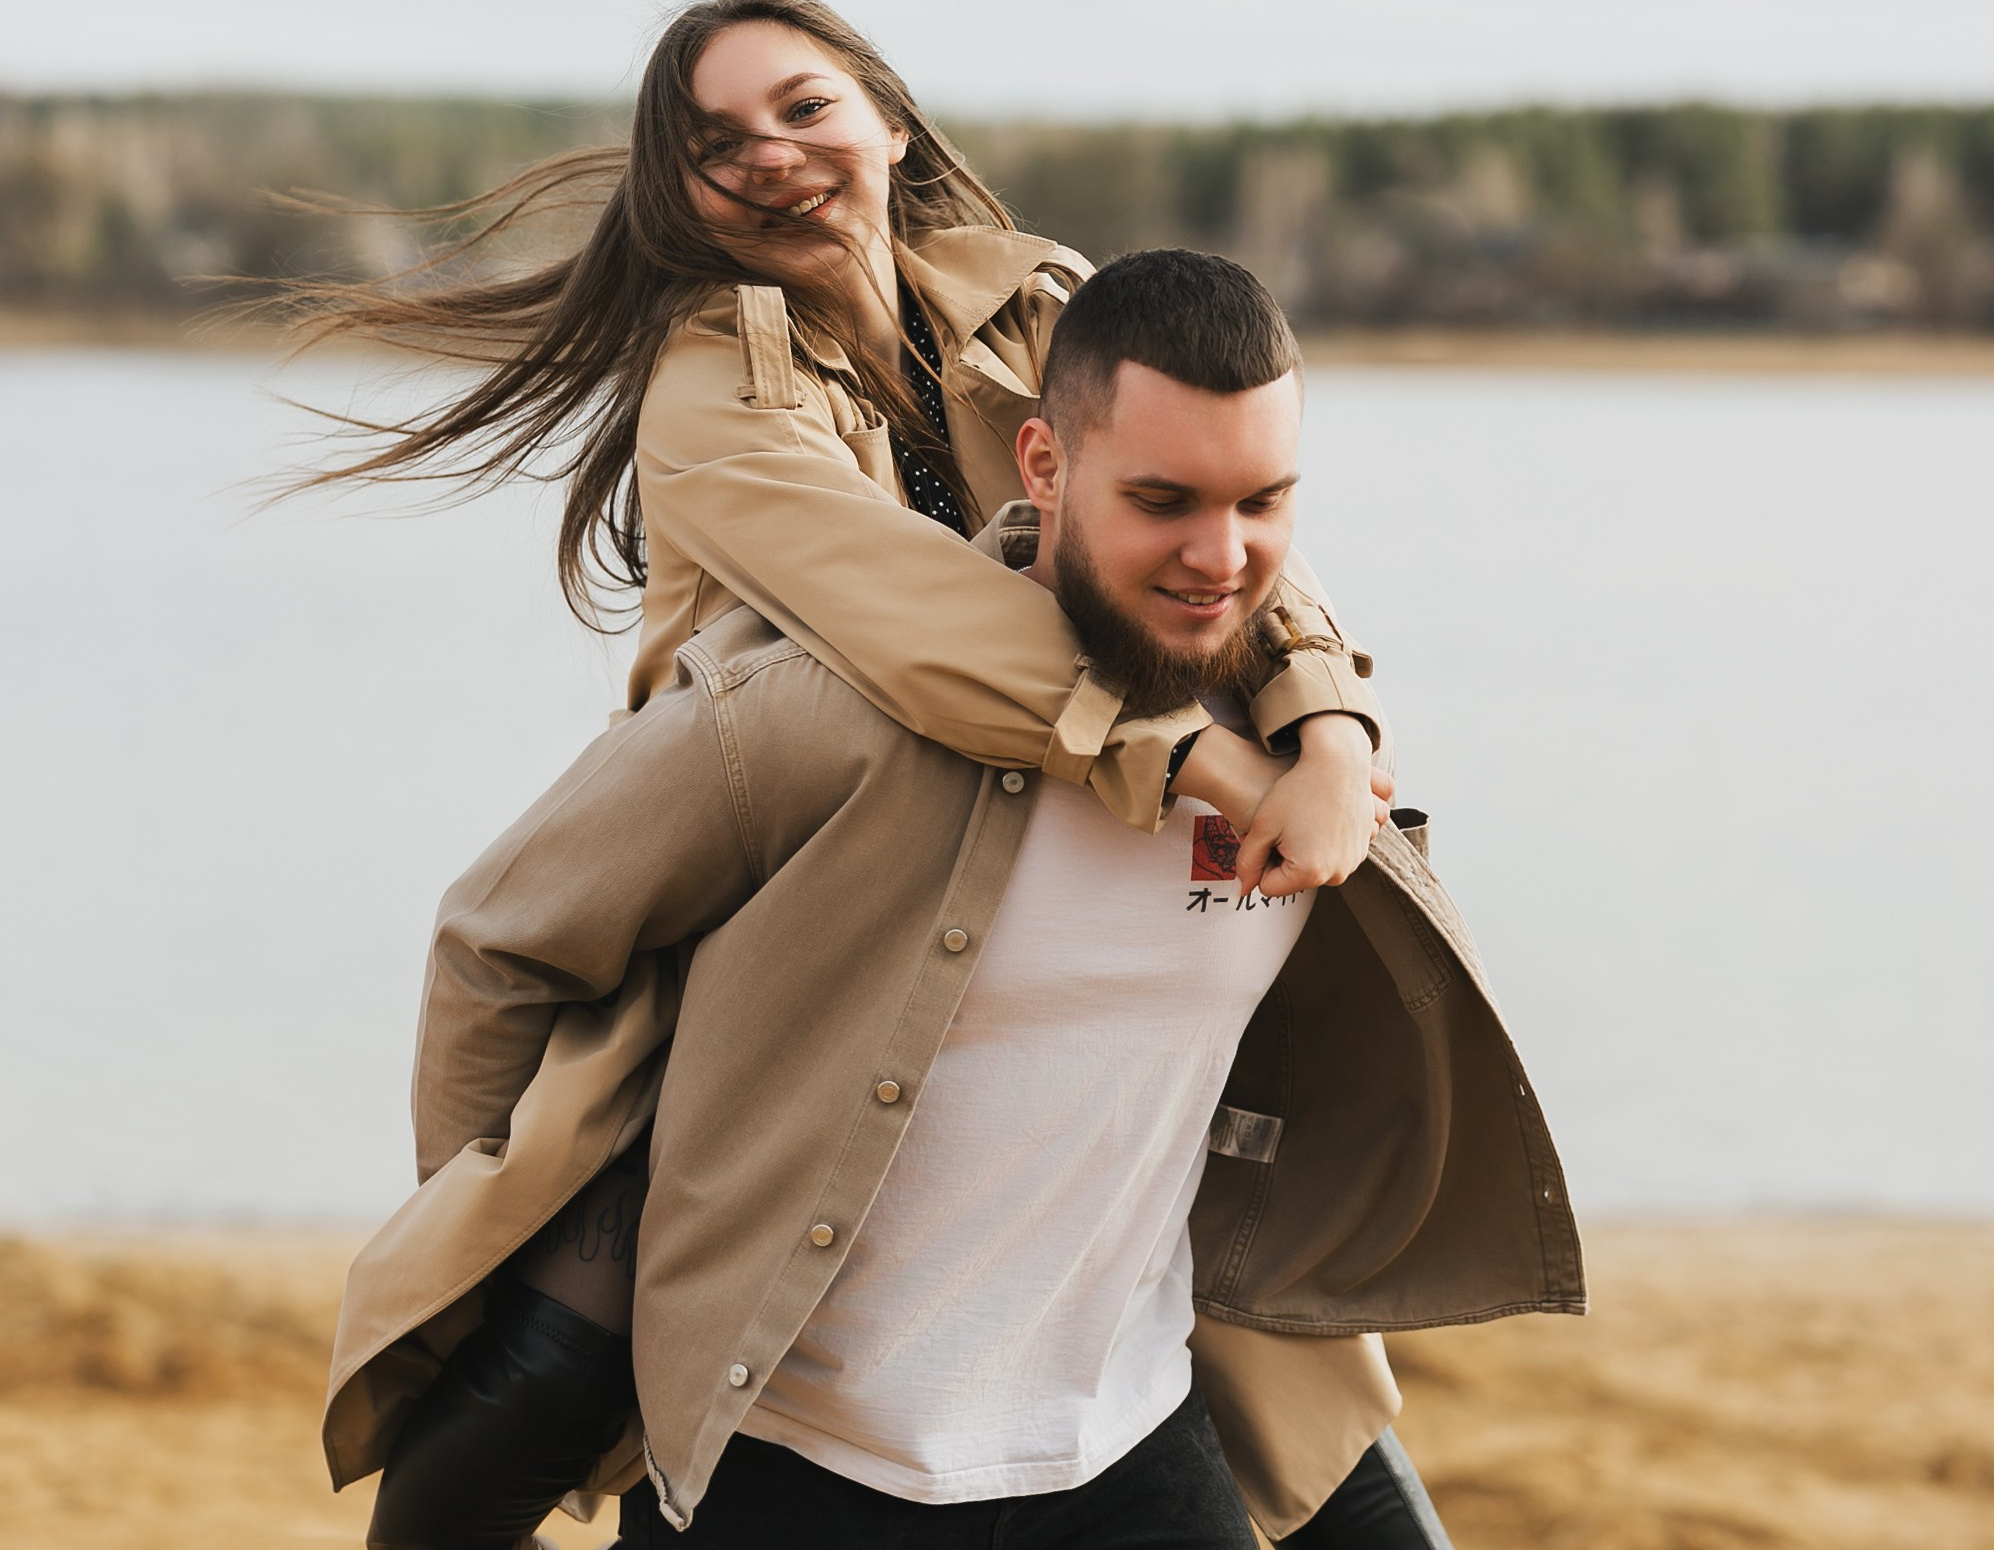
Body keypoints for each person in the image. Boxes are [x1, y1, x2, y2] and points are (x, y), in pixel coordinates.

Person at [279, 0, 1402, 1534]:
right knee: (544, 1368)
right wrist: (1209, 768)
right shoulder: (706, 385)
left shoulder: (1040, 299)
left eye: (803, 107)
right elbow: (917, 626)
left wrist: (1332, 722)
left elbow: (1227, 511)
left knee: (1278, 1387)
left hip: (1034, 867)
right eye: (713, 140)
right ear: (678, 195)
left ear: (886, 116)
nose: (770, 154)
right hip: (767, 903)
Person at [324, 250, 1582, 1546]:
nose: (1220, 556)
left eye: (1262, 501)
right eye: (1161, 500)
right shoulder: (816, 708)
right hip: (797, 1463)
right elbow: (502, 938)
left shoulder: (1295, 753)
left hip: (1125, 1445)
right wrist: (493, 1234)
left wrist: (1335, 740)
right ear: (1042, 465)